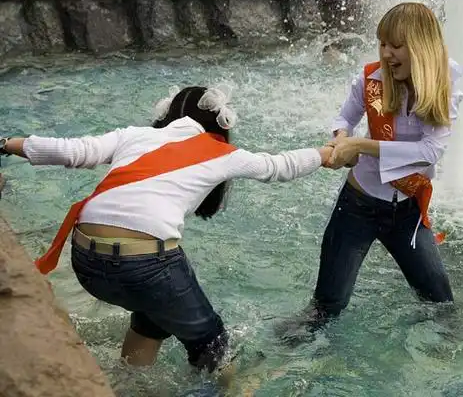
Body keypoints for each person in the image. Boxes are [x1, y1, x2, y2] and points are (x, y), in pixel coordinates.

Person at [0, 86, 333, 372]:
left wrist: (4, 143)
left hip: (86, 262)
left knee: (153, 315)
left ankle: (131, 382)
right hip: (142, 266)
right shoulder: (221, 151)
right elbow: (279, 166)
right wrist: (327, 154)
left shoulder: (134, 135)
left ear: (169, 113)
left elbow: (71, 150)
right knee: (213, 342)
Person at [275, 2, 463, 343]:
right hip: (358, 206)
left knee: (441, 304)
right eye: (382, 44)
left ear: (421, 47)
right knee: (326, 308)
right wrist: (341, 140)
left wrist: (360, 146)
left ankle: (447, 362)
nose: (386, 53)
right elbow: (344, 119)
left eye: (396, 46)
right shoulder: (371, 80)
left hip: (407, 211)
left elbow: (430, 151)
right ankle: (284, 357)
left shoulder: (446, 81)